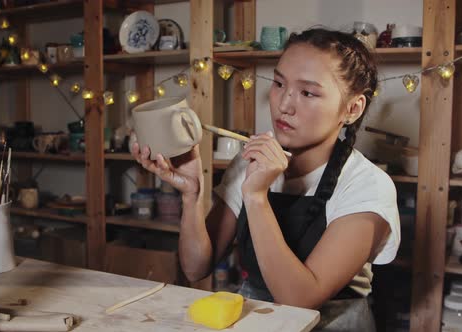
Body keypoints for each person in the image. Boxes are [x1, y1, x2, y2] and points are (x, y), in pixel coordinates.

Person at [131, 28, 400, 331]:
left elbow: (300, 299)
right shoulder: (249, 159)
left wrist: (257, 198)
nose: (284, 104)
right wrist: (191, 196)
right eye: (278, 83)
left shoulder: (367, 185)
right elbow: (196, 268)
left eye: (308, 92)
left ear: (352, 109)